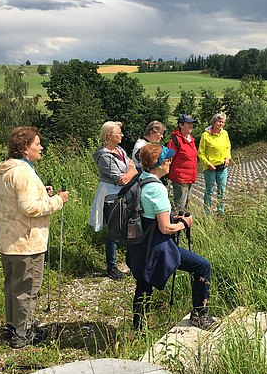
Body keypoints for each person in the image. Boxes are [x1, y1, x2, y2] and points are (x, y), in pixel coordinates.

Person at [0, 126, 69, 349]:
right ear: (25, 149)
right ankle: (23, 333)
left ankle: (12, 326)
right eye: (37, 143)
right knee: (27, 288)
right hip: (26, 242)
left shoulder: (7, 170)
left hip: (8, 240)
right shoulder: (23, 172)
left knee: (13, 286)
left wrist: (41, 191)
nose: (41, 147)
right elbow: (30, 208)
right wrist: (58, 201)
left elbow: (16, 200)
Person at [126, 144, 217, 331]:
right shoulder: (157, 188)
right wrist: (184, 224)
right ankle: (200, 315)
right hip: (157, 246)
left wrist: (172, 217)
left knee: (144, 283)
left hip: (140, 243)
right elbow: (165, 228)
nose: (170, 162)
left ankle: (139, 328)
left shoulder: (140, 179)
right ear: (159, 164)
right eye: (167, 160)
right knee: (202, 266)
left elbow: (149, 214)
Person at [89, 121, 138, 279]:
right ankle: (111, 266)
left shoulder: (119, 150)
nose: (122, 135)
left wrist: (129, 171)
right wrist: (130, 170)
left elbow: (132, 170)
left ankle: (131, 262)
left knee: (127, 227)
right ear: (109, 136)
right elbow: (121, 179)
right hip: (111, 196)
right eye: (119, 133)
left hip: (123, 194)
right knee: (113, 231)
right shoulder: (104, 156)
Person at [198, 113, 231, 214]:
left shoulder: (224, 133)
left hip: (222, 166)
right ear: (213, 122)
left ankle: (221, 211)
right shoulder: (205, 135)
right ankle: (207, 212)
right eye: (219, 121)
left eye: (222, 122)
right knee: (209, 191)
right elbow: (201, 153)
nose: (220, 124)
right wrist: (208, 164)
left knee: (222, 190)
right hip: (210, 168)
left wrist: (227, 158)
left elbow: (227, 147)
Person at [167, 114, 198, 212]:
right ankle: (177, 226)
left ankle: (185, 225)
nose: (191, 126)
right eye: (188, 123)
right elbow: (168, 159)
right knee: (179, 207)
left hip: (190, 178)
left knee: (186, 207)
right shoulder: (175, 141)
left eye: (192, 124)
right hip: (180, 179)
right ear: (181, 125)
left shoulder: (191, 140)